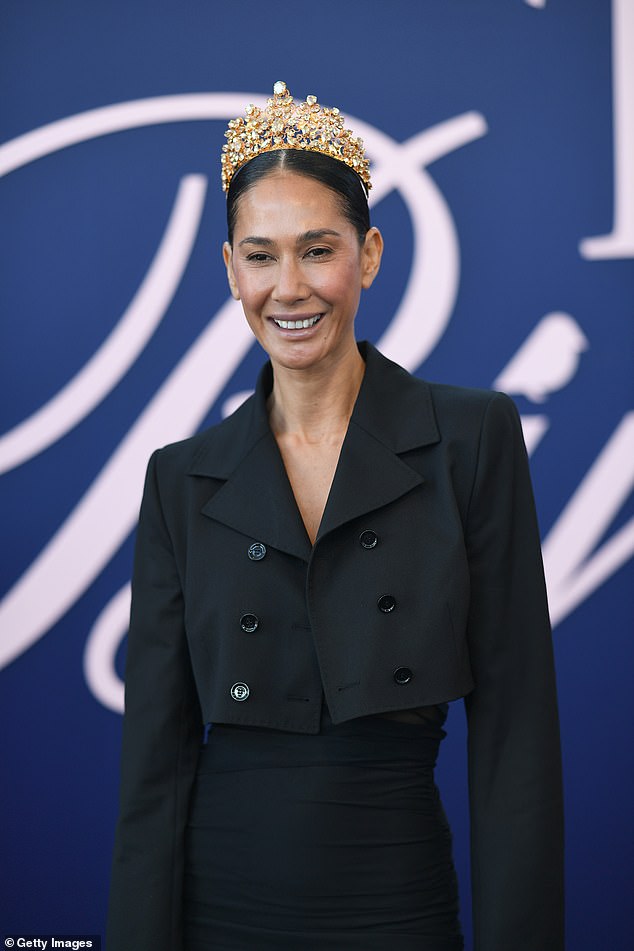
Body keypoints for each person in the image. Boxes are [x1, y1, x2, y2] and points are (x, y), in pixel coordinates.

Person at [107, 81, 564, 951]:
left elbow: (517, 746)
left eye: (318, 250)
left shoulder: (471, 437)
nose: (290, 288)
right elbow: (154, 776)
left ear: (372, 252)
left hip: (398, 903)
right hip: (220, 913)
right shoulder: (181, 479)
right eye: (261, 255)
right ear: (229, 269)